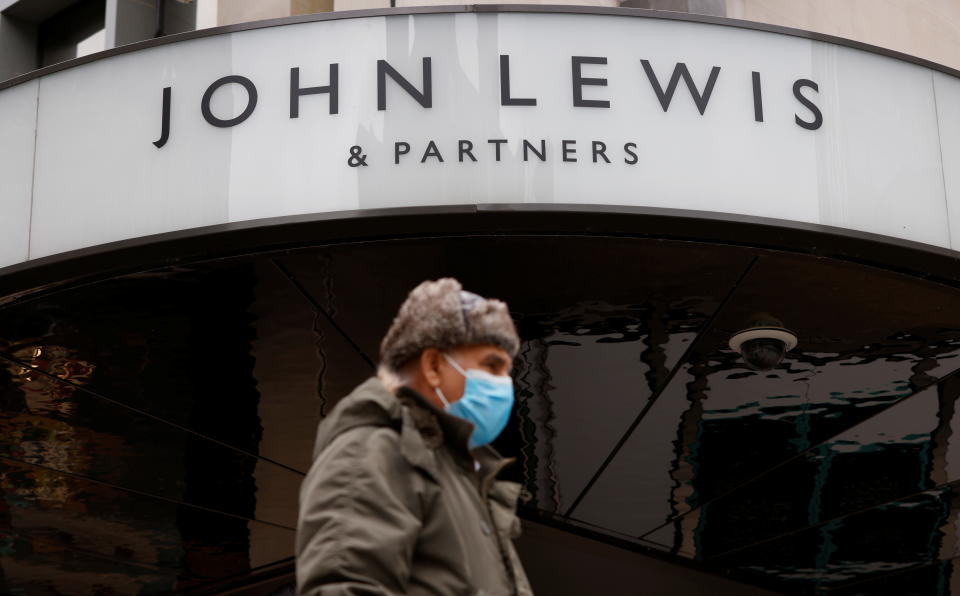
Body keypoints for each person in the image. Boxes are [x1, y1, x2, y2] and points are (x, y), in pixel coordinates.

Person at [296, 278, 534, 595]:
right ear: (433, 365)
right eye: (492, 365)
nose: (505, 384)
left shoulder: (456, 473)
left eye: (507, 370)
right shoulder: (370, 453)